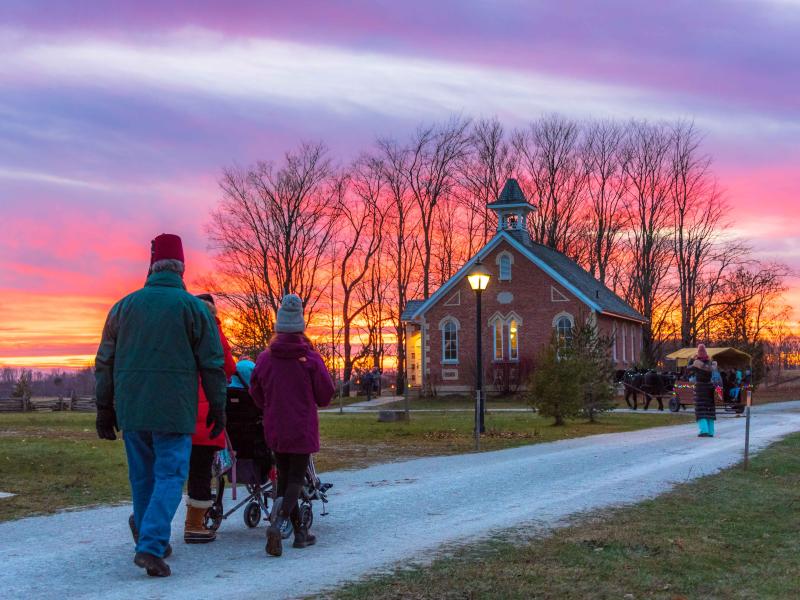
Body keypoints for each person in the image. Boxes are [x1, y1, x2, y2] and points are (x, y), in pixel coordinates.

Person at [95, 234, 227, 577]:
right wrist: (218, 406)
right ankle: (151, 545)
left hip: (133, 408)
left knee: (142, 476)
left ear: (151, 267)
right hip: (174, 409)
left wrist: (105, 408)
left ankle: (148, 532)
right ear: (182, 269)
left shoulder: (123, 308)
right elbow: (213, 364)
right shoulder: (194, 309)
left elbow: (104, 362)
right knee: (170, 474)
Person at [249, 294, 335, 557]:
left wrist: (269, 406)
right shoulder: (309, 358)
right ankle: (278, 524)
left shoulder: (265, 358)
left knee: (285, 479)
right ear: (300, 327)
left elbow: (255, 390)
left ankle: (300, 533)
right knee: (297, 478)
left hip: (275, 426)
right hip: (301, 425)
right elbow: (325, 393)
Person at [184, 293, 236, 544]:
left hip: (178, 409)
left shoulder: (181, 328)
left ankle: (146, 519)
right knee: (200, 471)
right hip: (206, 412)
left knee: (170, 471)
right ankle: (194, 525)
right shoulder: (213, 331)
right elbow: (228, 366)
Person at [691, 343, 716, 438]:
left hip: (700, 388)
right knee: (709, 409)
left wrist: (692, 360)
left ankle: (703, 430)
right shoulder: (711, 363)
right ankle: (711, 432)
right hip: (709, 387)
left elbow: (689, 369)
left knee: (701, 409)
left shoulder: (696, 363)